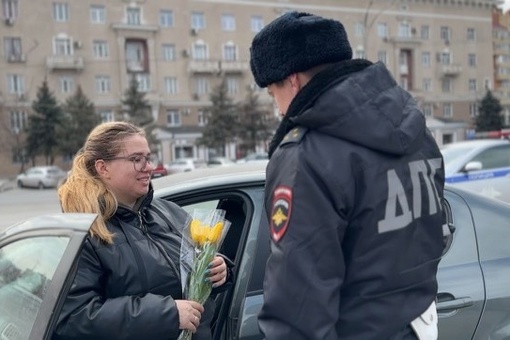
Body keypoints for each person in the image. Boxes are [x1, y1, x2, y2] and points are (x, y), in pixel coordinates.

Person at [249, 11, 446, 340]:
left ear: (292, 80)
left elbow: (297, 304)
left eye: (273, 94)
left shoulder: (306, 154)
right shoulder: (413, 129)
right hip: (418, 322)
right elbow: (437, 228)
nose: (280, 109)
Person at [54, 121, 233, 340]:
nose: (149, 167)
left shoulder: (167, 212)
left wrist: (219, 270)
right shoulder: (88, 231)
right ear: (103, 168)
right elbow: (74, 318)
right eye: (136, 159)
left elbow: (191, 267)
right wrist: (167, 314)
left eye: (148, 158)